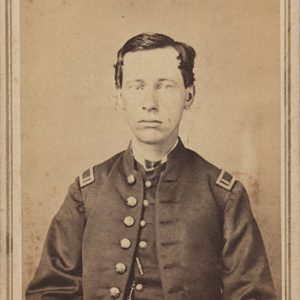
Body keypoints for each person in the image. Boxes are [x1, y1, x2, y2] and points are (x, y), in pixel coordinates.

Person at [26, 33, 276, 300]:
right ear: (120, 97)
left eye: (165, 86)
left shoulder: (223, 195)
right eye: (137, 86)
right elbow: (50, 291)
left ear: (189, 96)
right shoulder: (87, 191)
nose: (150, 103)